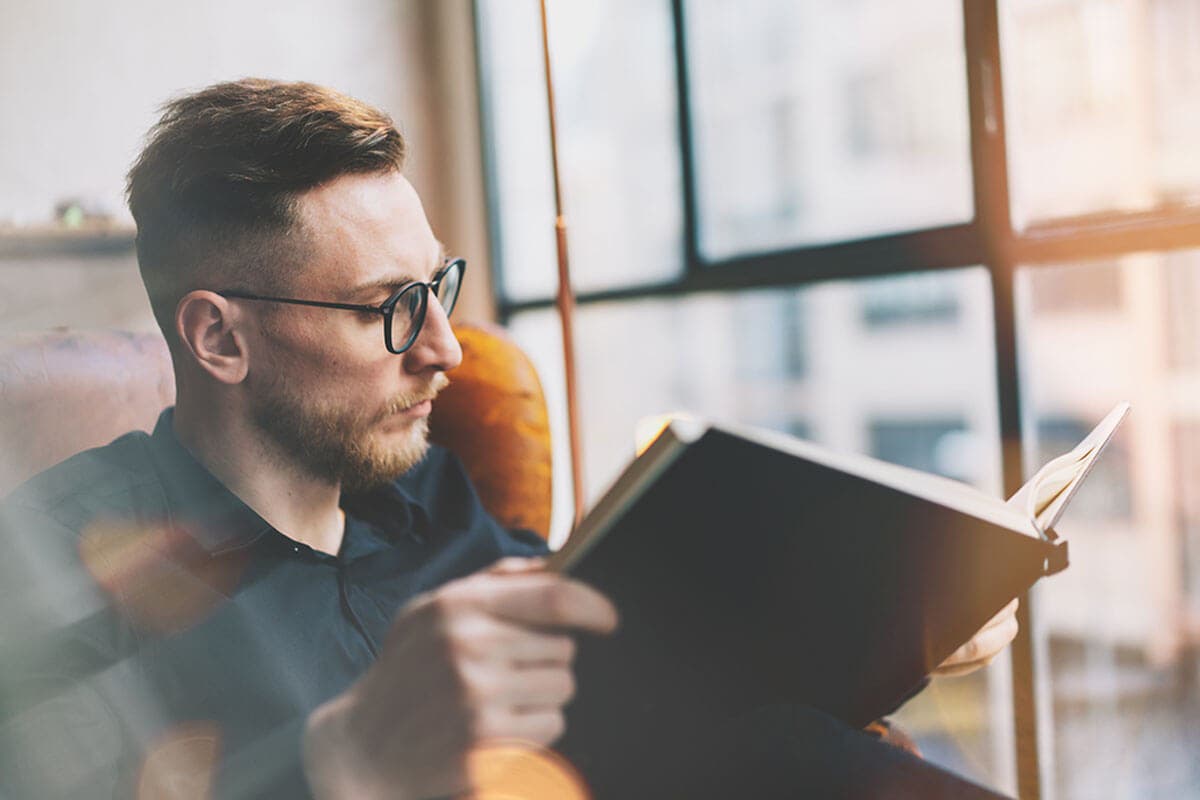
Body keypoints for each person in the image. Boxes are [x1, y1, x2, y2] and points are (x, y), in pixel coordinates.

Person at [0, 79, 1018, 799]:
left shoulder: (433, 496)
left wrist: (900, 617)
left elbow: (653, 695)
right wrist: (344, 763)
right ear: (220, 335)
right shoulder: (53, 558)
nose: (444, 347)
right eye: (388, 308)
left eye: (437, 286)